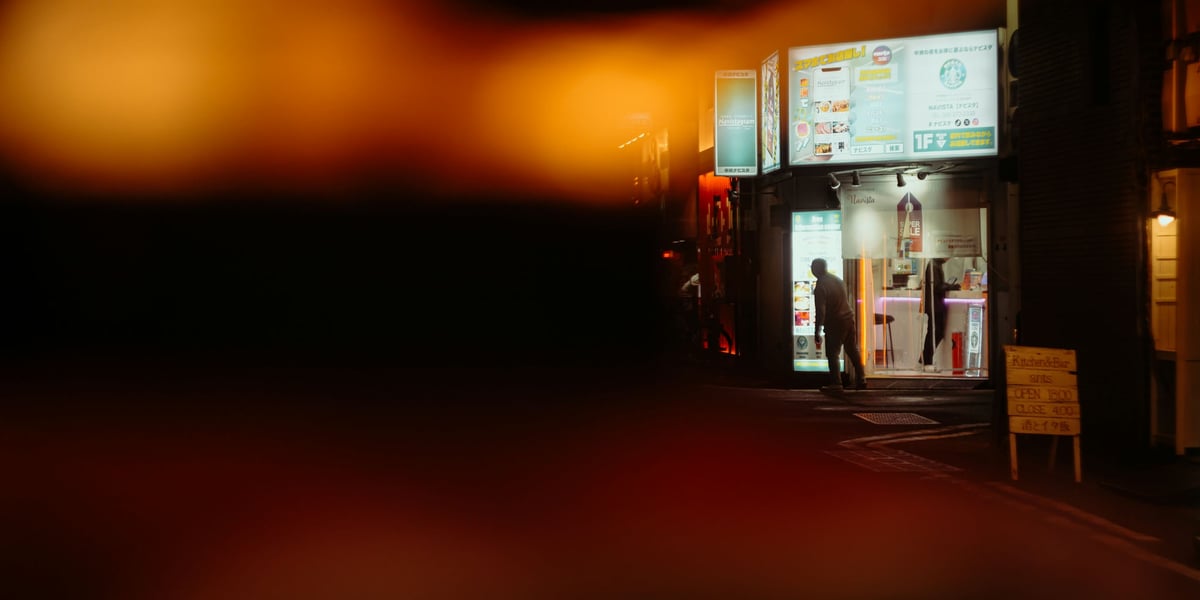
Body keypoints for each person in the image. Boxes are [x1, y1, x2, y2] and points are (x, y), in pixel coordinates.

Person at [811, 258, 866, 391]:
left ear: (817, 269)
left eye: (812, 267)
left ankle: (836, 383)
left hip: (835, 322)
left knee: (832, 353)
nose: (811, 270)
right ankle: (862, 378)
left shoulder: (821, 285)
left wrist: (817, 330)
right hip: (848, 318)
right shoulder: (837, 280)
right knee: (852, 350)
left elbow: (821, 310)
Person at [921, 257, 960, 372]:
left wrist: (947, 285)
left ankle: (924, 360)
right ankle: (926, 361)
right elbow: (937, 287)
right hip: (934, 305)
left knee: (933, 333)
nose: (948, 258)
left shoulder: (935, 265)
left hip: (935, 305)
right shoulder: (933, 266)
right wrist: (950, 286)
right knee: (935, 333)